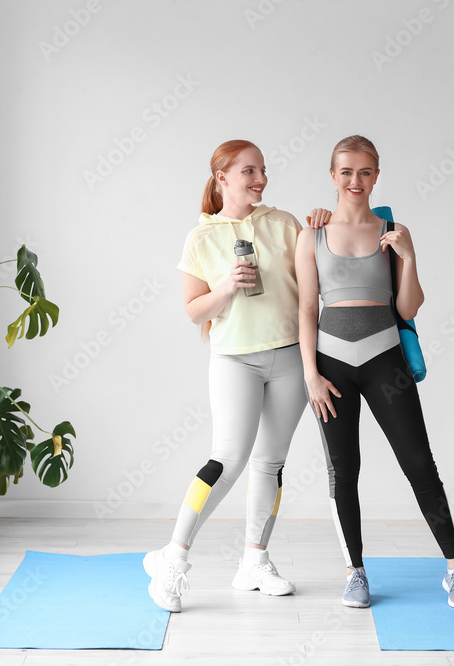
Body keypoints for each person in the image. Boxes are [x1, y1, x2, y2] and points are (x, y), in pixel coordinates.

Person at [143, 139, 327, 613]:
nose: (259, 179)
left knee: (271, 462)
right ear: (222, 176)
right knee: (227, 459)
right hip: (235, 360)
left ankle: (255, 561)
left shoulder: (284, 224)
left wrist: (322, 228)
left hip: (289, 356)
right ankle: (172, 559)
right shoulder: (200, 237)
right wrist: (225, 287)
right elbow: (192, 311)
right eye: (248, 171)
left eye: (263, 170)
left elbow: (318, 277)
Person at [294, 135, 454, 609]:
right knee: (343, 470)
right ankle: (355, 573)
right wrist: (310, 373)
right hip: (331, 365)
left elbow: (407, 306)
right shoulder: (309, 235)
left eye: (366, 172)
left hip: (385, 362)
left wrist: (409, 256)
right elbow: (307, 307)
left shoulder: (392, 230)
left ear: (377, 176)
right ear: (333, 176)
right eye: (347, 171)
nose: (356, 180)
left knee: (419, 464)